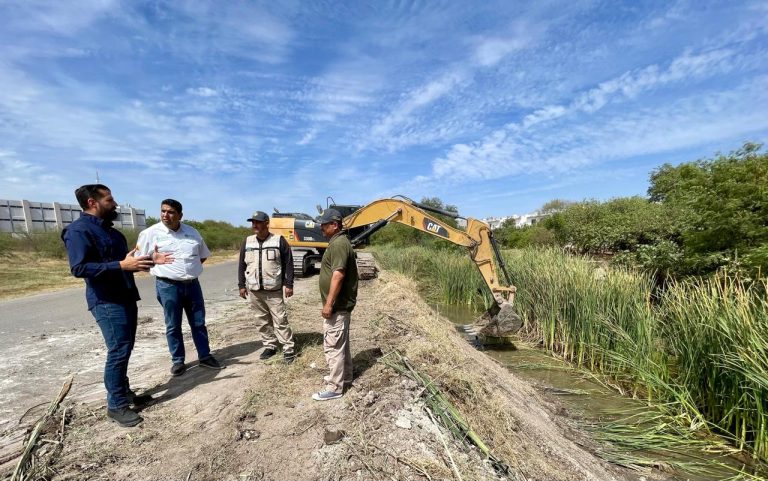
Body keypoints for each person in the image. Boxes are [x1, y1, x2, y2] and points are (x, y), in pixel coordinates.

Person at [62, 184, 170, 427]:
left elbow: (126, 263)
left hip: (126, 296)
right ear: (92, 202)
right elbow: (79, 268)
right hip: (106, 301)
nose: (115, 203)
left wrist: (149, 260)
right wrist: (120, 265)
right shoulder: (78, 231)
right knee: (118, 351)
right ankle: (116, 406)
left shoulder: (113, 233)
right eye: (109, 199)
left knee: (125, 349)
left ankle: (124, 393)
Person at [135, 199, 223, 376]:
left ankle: (205, 356)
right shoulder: (150, 233)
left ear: (180, 215)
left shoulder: (192, 232)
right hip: (168, 286)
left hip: (193, 285)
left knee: (198, 323)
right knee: (173, 325)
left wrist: (189, 270)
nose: (165, 215)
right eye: (163, 211)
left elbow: (202, 255)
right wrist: (153, 260)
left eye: (171, 212)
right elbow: (137, 262)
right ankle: (178, 361)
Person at [312, 208, 358, 401]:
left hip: (337, 306)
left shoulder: (339, 244)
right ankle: (345, 377)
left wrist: (328, 304)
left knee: (333, 346)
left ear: (334, 224)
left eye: (324, 224)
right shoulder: (339, 242)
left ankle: (335, 387)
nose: (321, 227)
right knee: (341, 345)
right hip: (340, 306)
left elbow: (338, 275)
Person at [238, 211, 296, 363]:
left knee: (280, 320)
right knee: (261, 320)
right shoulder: (247, 242)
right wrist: (241, 285)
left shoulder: (278, 240)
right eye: (253, 222)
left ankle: (288, 348)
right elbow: (242, 265)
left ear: (266, 223)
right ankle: (270, 345)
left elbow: (288, 263)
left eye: (258, 222)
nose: (254, 225)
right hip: (254, 290)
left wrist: (289, 284)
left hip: (273, 290)